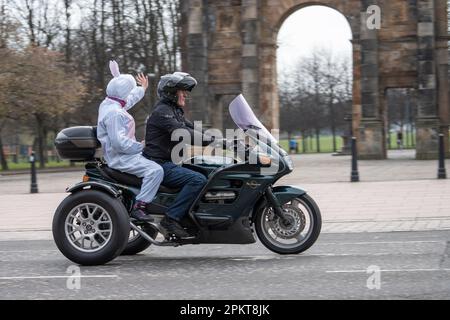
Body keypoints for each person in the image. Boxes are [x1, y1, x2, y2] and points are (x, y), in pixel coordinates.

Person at [143, 72, 213, 239]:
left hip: (170, 162)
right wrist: (214, 141)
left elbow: (193, 129)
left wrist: (222, 139)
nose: (185, 94)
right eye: (182, 90)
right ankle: (171, 219)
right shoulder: (162, 112)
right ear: (171, 92)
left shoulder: (175, 111)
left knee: (207, 171)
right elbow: (182, 132)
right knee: (197, 180)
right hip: (159, 164)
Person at [97, 61, 164, 222]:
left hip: (123, 154)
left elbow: (128, 100)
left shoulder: (110, 103)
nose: (130, 93)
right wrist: (139, 146)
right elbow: (119, 143)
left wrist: (142, 89)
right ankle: (140, 206)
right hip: (121, 157)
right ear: (123, 92)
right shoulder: (115, 114)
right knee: (155, 171)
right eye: (130, 89)